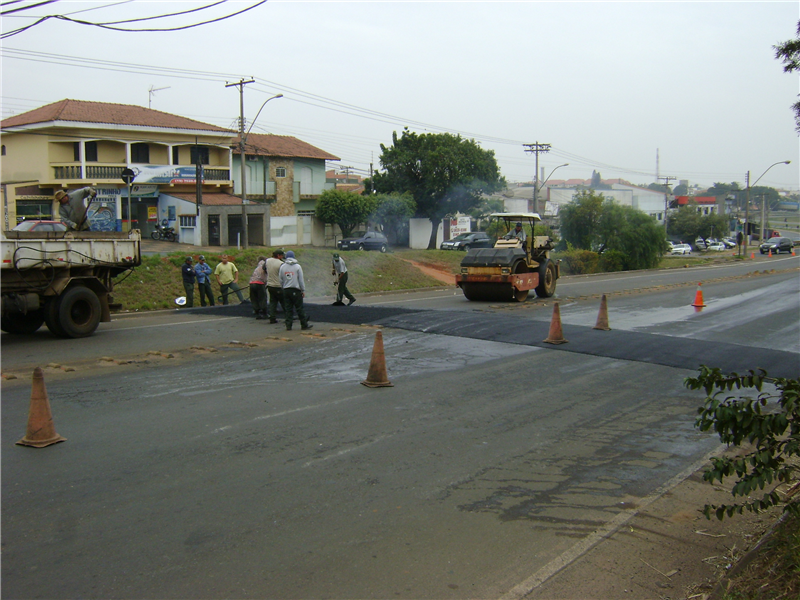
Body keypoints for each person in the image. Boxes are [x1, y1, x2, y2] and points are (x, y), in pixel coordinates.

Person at [279, 250, 311, 331]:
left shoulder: (282, 266)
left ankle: (288, 326)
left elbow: (280, 279)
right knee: (299, 308)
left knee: (288, 309)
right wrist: (303, 290)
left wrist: (283, 287)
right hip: (295, 290)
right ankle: (304, 324)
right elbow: (301, 280)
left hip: (286, 290)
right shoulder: (297, 267)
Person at [265, 248, 285, 324]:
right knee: (283, 302)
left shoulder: (268, 261)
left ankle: (272, 318)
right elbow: (283, 275)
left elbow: (264, 269)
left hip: (270, 285)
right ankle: (288, 316)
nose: (282, 257)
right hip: (278, 285)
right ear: (278, 255)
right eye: (282, 255)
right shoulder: (280, 264)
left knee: (273, 302)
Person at [249, 256, 268, 320]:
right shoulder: (265, 266)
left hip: (252, 283)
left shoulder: (257, 268)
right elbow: (265, 277)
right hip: (260, 283)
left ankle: (257, 313)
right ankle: (264, 313)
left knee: (254, 298)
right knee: (262, 298)